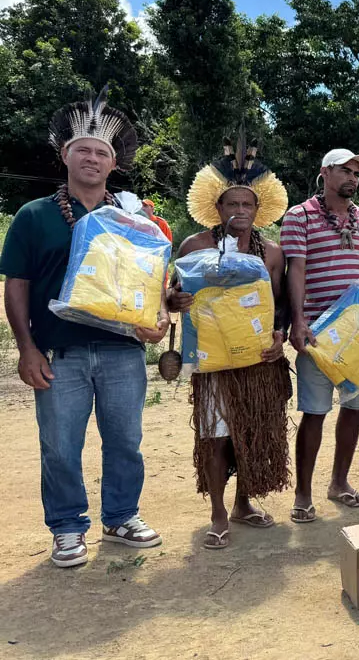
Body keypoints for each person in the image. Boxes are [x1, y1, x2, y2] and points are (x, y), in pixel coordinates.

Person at [0, 89, 167, 568]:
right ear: (65, 155)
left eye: (102, 152)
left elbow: (153, 277)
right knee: (59, 446)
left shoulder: (137, 219)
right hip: (60, 354)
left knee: (125, 442)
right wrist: (26, 349)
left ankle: (120, 516)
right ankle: (68, 527)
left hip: (122, 352)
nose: (92, 158)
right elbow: (17, 286)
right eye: (84, 150)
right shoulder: (34, 216)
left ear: (113, 164)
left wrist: (158, 317)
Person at [166, 136, 292, 549]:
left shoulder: (271, 253)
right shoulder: (194, 247)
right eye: (231, 204)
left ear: (258, 210)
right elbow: (170, 294)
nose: (239, 212)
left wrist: (279, 337)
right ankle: (218, 513)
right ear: (216, 209)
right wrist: (175, 299)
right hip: (212, 362)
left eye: (247, 205)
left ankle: (243, 504)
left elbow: (281, 305)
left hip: (258, 361)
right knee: (216, 435)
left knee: (251, 433)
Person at [281, 148, 359, 523]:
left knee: (353, 408)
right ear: (325, 173)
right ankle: (303, 494)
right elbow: (295, 272)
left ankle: (339, 482)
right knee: (314, 412)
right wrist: (297, 322)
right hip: (318, 331)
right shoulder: (299, 217)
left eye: (356, 173)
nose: (352, 178)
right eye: (345, 171)